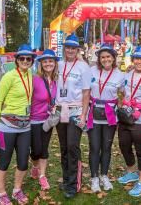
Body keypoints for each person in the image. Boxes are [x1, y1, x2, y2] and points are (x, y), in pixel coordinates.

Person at [0, 44, 36, 205]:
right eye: (22, 58)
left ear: (32, 61)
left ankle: (16, 190)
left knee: (23, 161)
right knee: (4, 161)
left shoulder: (31, 74)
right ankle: (1, 193)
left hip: (25, 126)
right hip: (6, 126)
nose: (25, 61)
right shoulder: (9, 76)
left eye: (29, 59)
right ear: (17, 60)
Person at [55, 34, 92, 198]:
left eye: (73, 48)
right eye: (67, 47)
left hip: (76, 110)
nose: (70, 50)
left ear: (78, 49)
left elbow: (86, 92)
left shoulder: (83, 67)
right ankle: (66, 180)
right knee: (64, 147)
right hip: (60, 110)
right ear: (64, 48)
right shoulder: (58, 64)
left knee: (72, 146)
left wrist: (84, 114)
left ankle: (73, 184)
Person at [117, 46, 141, 197]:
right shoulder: (126, 75)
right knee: (124, 145)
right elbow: (120, 90)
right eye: (137, 58)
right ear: (133, 59)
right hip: (126, 116)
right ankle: (132, 171)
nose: (139, 61)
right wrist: (122, 102)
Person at [87, 44, 125, 192]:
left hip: (110, 115)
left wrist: (121, 105)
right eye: (102, 57)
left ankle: (104, 175)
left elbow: (123, 93)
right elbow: (85, 90)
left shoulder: (120, 75)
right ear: (99, 59)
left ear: (113, 58)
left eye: (108, 56)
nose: (105, 59)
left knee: (107, 147)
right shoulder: (91, 71)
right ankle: (94, 177)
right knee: (95, 147)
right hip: (94, 114)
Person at [29, 49, 59, 190]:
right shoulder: (35, 79)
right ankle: (34, 165)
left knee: (44, 149)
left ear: (54, 63)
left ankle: (42, 176)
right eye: (45, 61)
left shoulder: (56, 80)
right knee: (36, 150)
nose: (48, 64)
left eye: (50, 61)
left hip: (48, 120)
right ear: (41, 63)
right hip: (34, 119)